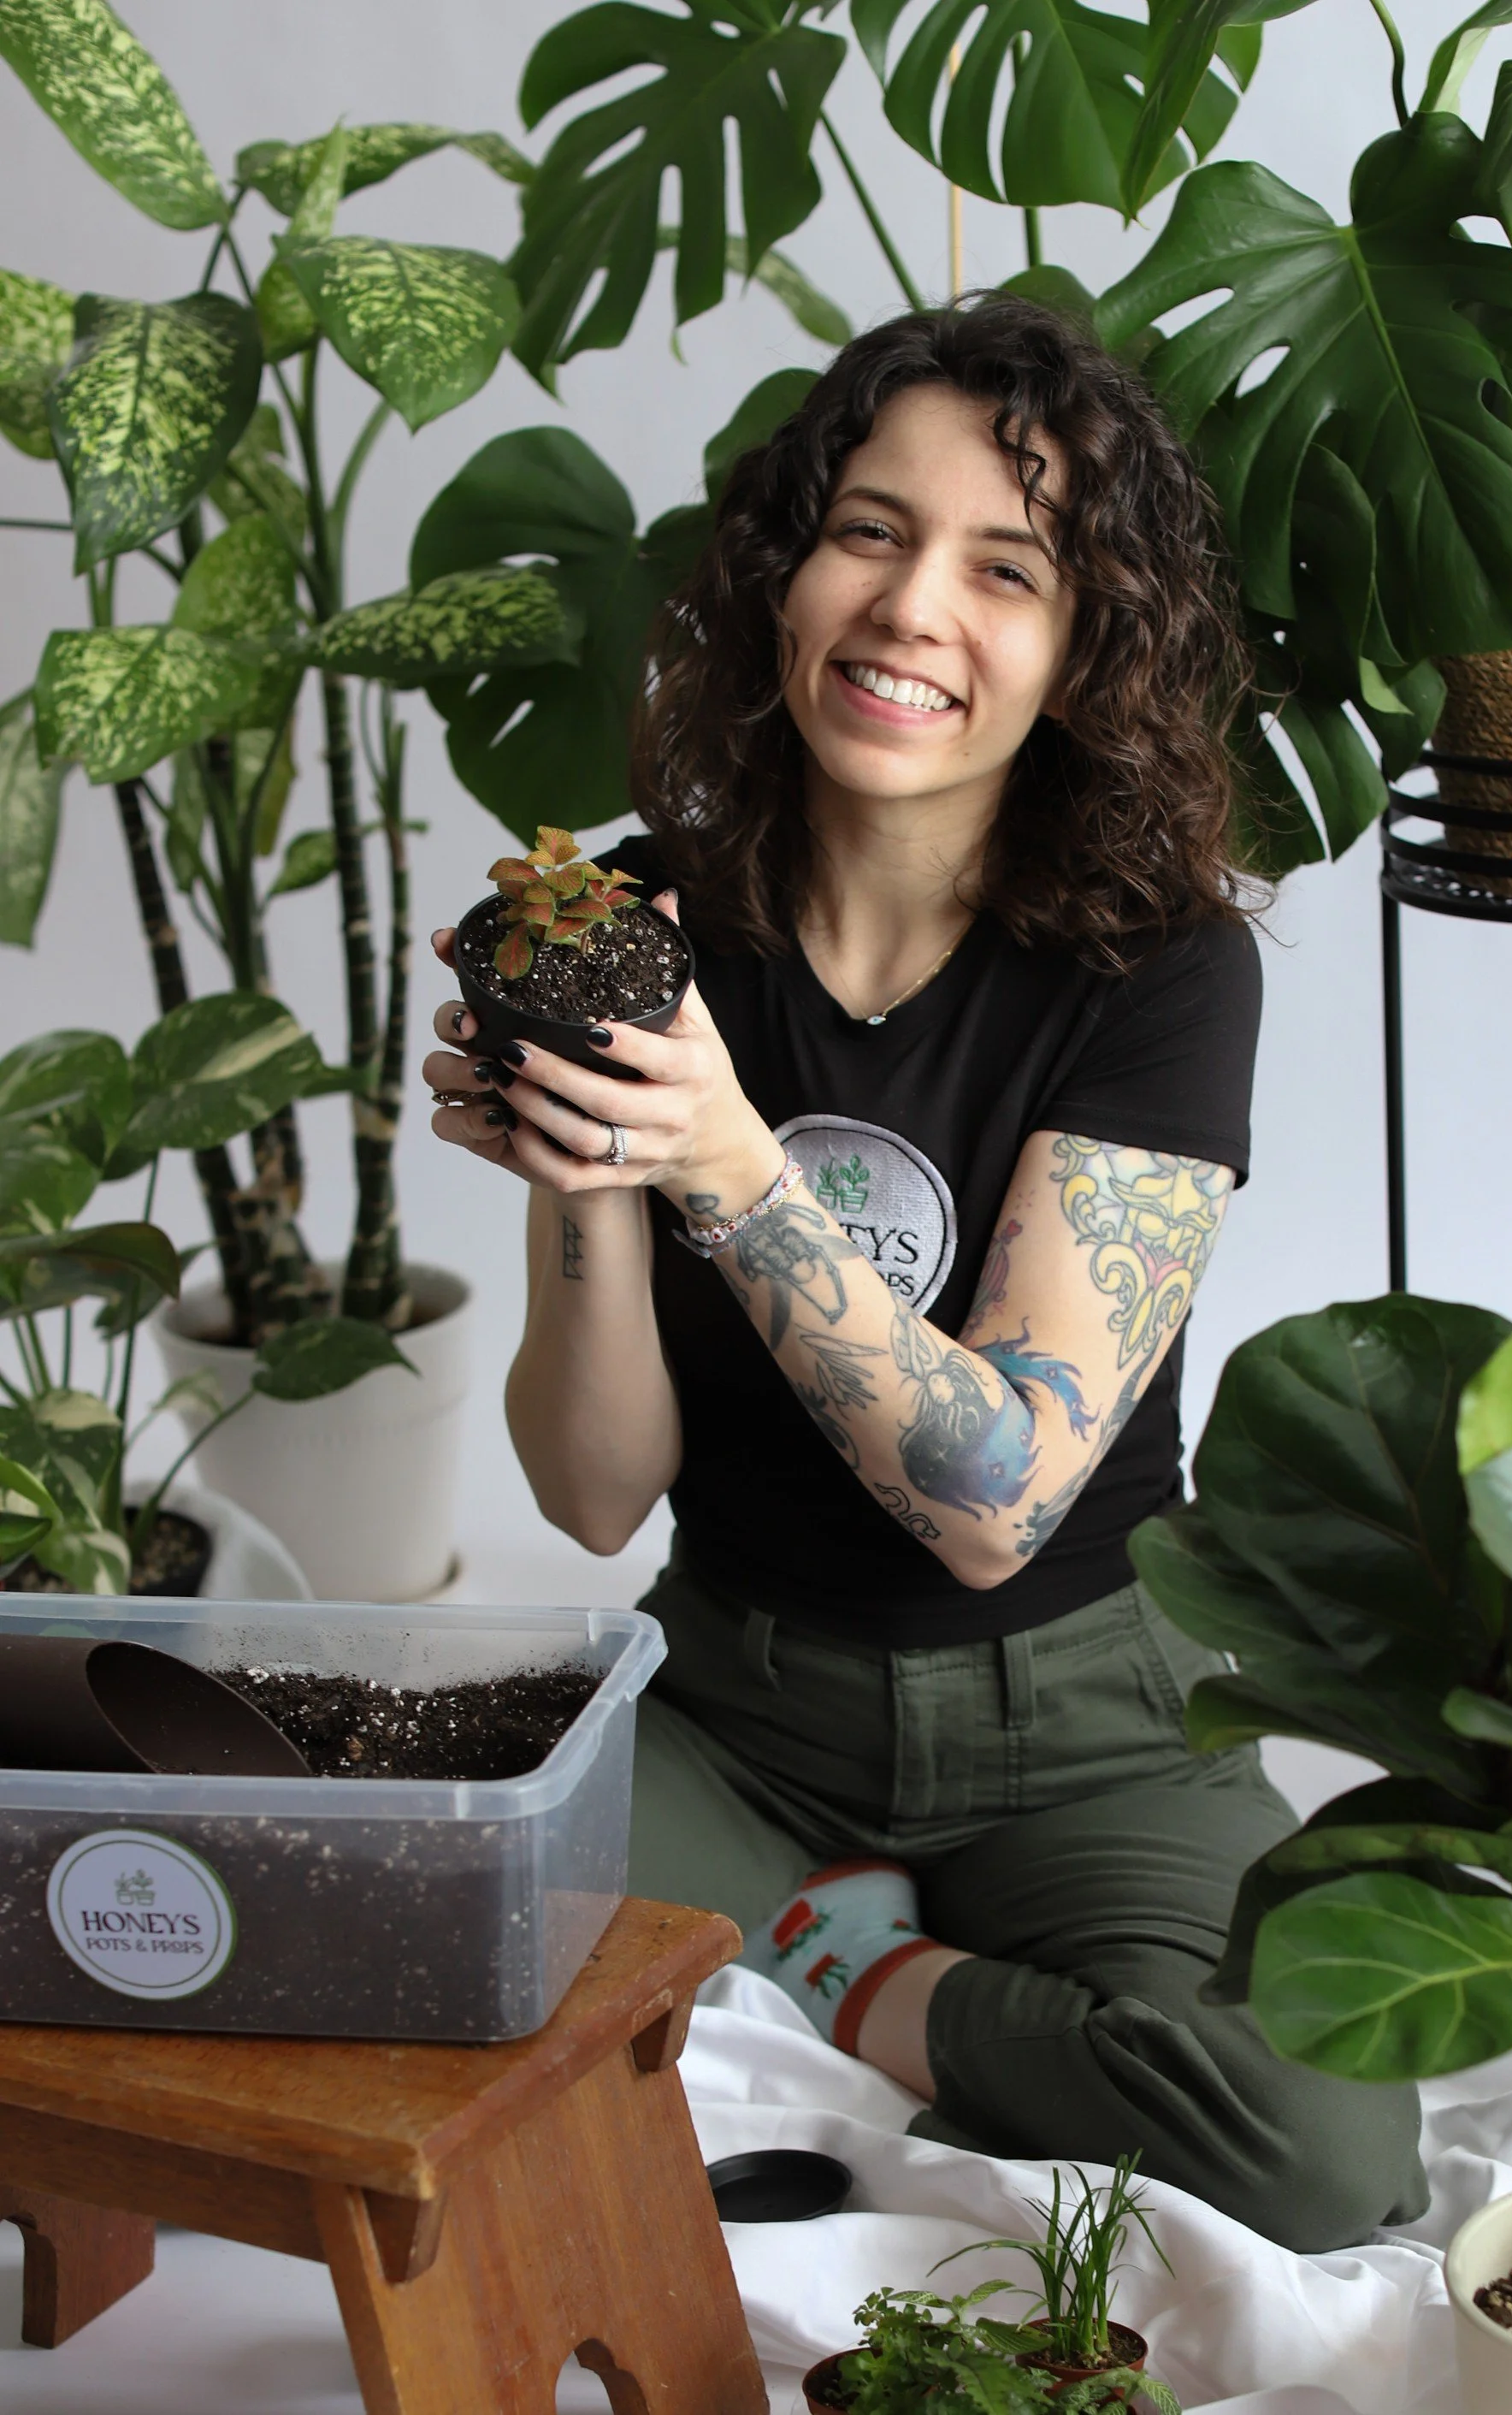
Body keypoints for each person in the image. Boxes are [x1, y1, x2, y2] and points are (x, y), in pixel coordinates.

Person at [423, 295, 1426, 2252]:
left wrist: (716, 1150)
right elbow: (596, 1488)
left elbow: (999, 1497)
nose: (910, 611)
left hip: (1092, 1708)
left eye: (1006, 566)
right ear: (787, 571)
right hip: (742, 1700)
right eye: (868, 530)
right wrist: (585, 1178)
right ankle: (808, 1913)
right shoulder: (632, 921)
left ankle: (853, 1965)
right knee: (437, 2002)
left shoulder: (1154, 963)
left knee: (1328, 2150)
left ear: (1083, 649)